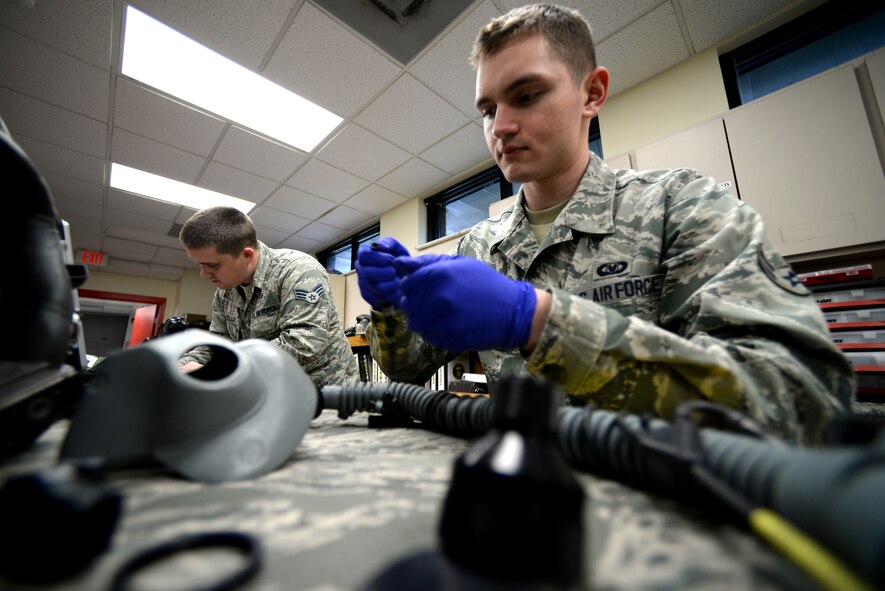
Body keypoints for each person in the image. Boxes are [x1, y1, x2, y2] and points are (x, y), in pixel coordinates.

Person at [355, 3, 853, 443]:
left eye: (526, 96)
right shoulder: (481, 247)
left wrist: (537, 322)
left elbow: (800, 404)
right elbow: (404, 367)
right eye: (488, 110)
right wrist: (390, 307)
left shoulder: (680, 207)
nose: (500, 127)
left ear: (592, 94)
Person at [178, 206, 358, 390]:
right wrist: (181, 367)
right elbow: (216, 345)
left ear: (247, 255)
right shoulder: (225, 294)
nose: (203, 274)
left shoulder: (298, 270)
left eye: (212, 265)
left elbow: (304, 344)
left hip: (329, 396)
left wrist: (220, 369)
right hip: (276, 394)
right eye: (199, 265)